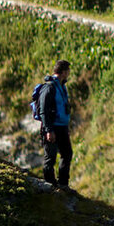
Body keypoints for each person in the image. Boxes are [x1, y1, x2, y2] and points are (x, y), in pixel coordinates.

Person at [40, 59, 73, 190]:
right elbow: (43, 110)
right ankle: (49, 185)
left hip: (62, 127)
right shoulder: (49, 87)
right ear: (63, 72)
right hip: (52, 127)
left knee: (67, 153)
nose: (69, 73)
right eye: (68, 71)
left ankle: (63, 184)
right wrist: (49, 130)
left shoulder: (62, 86)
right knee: (50, 157)